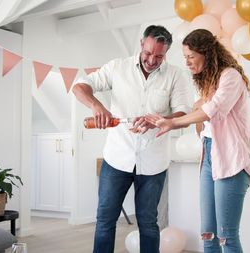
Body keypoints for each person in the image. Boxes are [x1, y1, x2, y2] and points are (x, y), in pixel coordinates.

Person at [72, 25, 192, 253]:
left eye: (159, 56)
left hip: (154, 163)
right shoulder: (117, 67)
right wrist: (97, 105)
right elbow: (79, 86)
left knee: (148, 223)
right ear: (141, 44)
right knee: (105, 221)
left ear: (166, 52)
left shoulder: (176, 75)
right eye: (148, 53)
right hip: (117, 159)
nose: (152, 60)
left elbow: (184, 114)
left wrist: (159, 120)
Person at [146, 29, 250, 253]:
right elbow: (201, 117)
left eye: (191, 56)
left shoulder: (230, 77)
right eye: (185, 58)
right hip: (209, 156)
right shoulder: (209, 83)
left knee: (227, 236)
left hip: (232, 160)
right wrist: (164, 119)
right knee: (208, 233)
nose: (187, 63)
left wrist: (175, 123)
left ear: (206, 53)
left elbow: (212, 110)